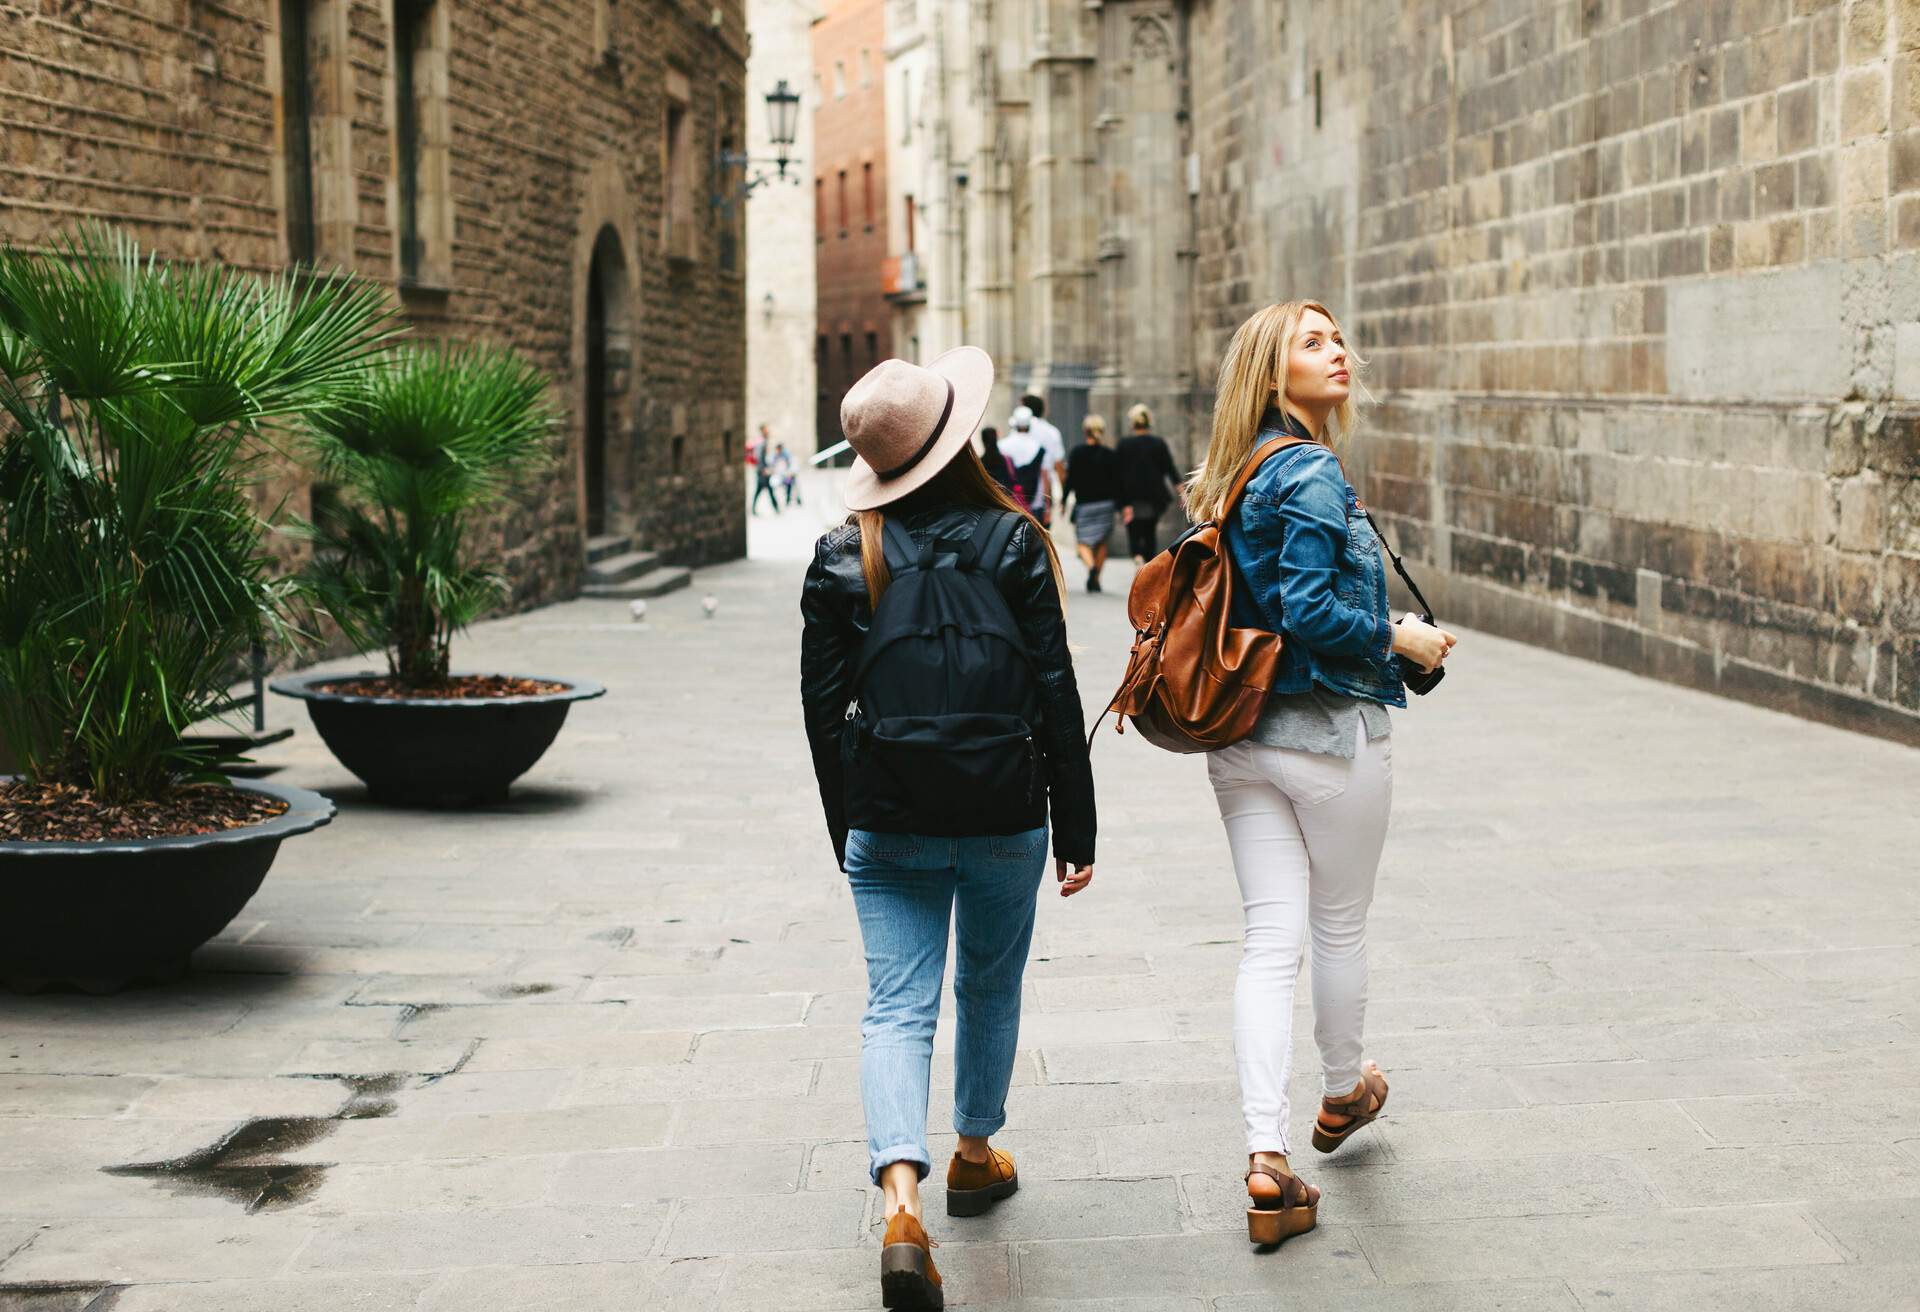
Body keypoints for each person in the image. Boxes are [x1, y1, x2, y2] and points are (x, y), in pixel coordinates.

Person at [800, 348, 1097, 1309]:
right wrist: (1075, 827)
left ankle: (899, 1207)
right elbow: (1055, 692)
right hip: (1006, 807)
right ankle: (973, 1152)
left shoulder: (844, 553)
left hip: (888, 814)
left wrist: (850, 828)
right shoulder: (1014, 541)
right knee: (989, 982)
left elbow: (819, 710)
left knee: (896, 1006)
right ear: (960, 438)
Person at [1182, 301, 1456, 1247]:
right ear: (1269, 373)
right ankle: (1342, 1093)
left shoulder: (1235, 470)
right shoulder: (1306, 469)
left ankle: (1268, 1160)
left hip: (1238, 735)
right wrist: (1402, 634)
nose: (1339, 352)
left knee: (1268, 940)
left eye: (1339, 338)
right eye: (1313, 342)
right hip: (1328, 733)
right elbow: (1308, 611)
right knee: (1336, 925)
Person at [1116, 403, 1183, 562]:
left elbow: (1117, 475)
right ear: (1149, 421)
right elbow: (1170, 469)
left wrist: (1122, 502)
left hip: (1131, 499)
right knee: (1149, 532)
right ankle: (1147, 565)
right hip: (1153, 497)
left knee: (1133, 531)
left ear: (1132, 423)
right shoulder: (1158, 443)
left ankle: (1137, 557)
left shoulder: (1124, 445)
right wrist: (1182, 492)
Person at [1063, 414, 1120, 592]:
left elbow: (1070, 480)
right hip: (1105, 504)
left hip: (1084, 504)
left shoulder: (1077, 453)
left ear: (1084, 431)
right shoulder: (1110, 455)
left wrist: (1064, 500)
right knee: (1101, 542)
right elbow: (1117, 481)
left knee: (1082, 542)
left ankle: (1091, 568)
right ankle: (1096, 578)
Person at [997, 406, 1052, 524]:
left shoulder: (1002, 446)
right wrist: (1047, 506)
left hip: (1009, 502)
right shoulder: (1039, 447)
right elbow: (1045, 476)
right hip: (1034, 503)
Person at [979, 425, 1020, 495]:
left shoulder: (979, 463)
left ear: (982, 440)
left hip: (988, 501)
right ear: (997, 437)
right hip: (1005, 501)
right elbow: (1014, 481)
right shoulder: (1008, 460)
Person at [751, 423, 781, 516]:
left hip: (762, 471)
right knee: (767, 489)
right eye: (766, 429)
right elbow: (759, 457)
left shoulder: (763, 441)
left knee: (760, 490)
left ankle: (754, 509)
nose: (768, 431)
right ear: (763, 431)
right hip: (762, 472)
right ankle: (776, 508)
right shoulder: (761, 442)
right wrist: (763, 469)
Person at [772, 441, 802, 506]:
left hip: (790, 473)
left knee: (792, 486)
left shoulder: (786, 454)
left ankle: (797, 499)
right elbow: (773, 463)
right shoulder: (776, 455)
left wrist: (790, 472)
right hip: (784, 474)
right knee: (788, 485)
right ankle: (789, 499)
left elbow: (791, 464)